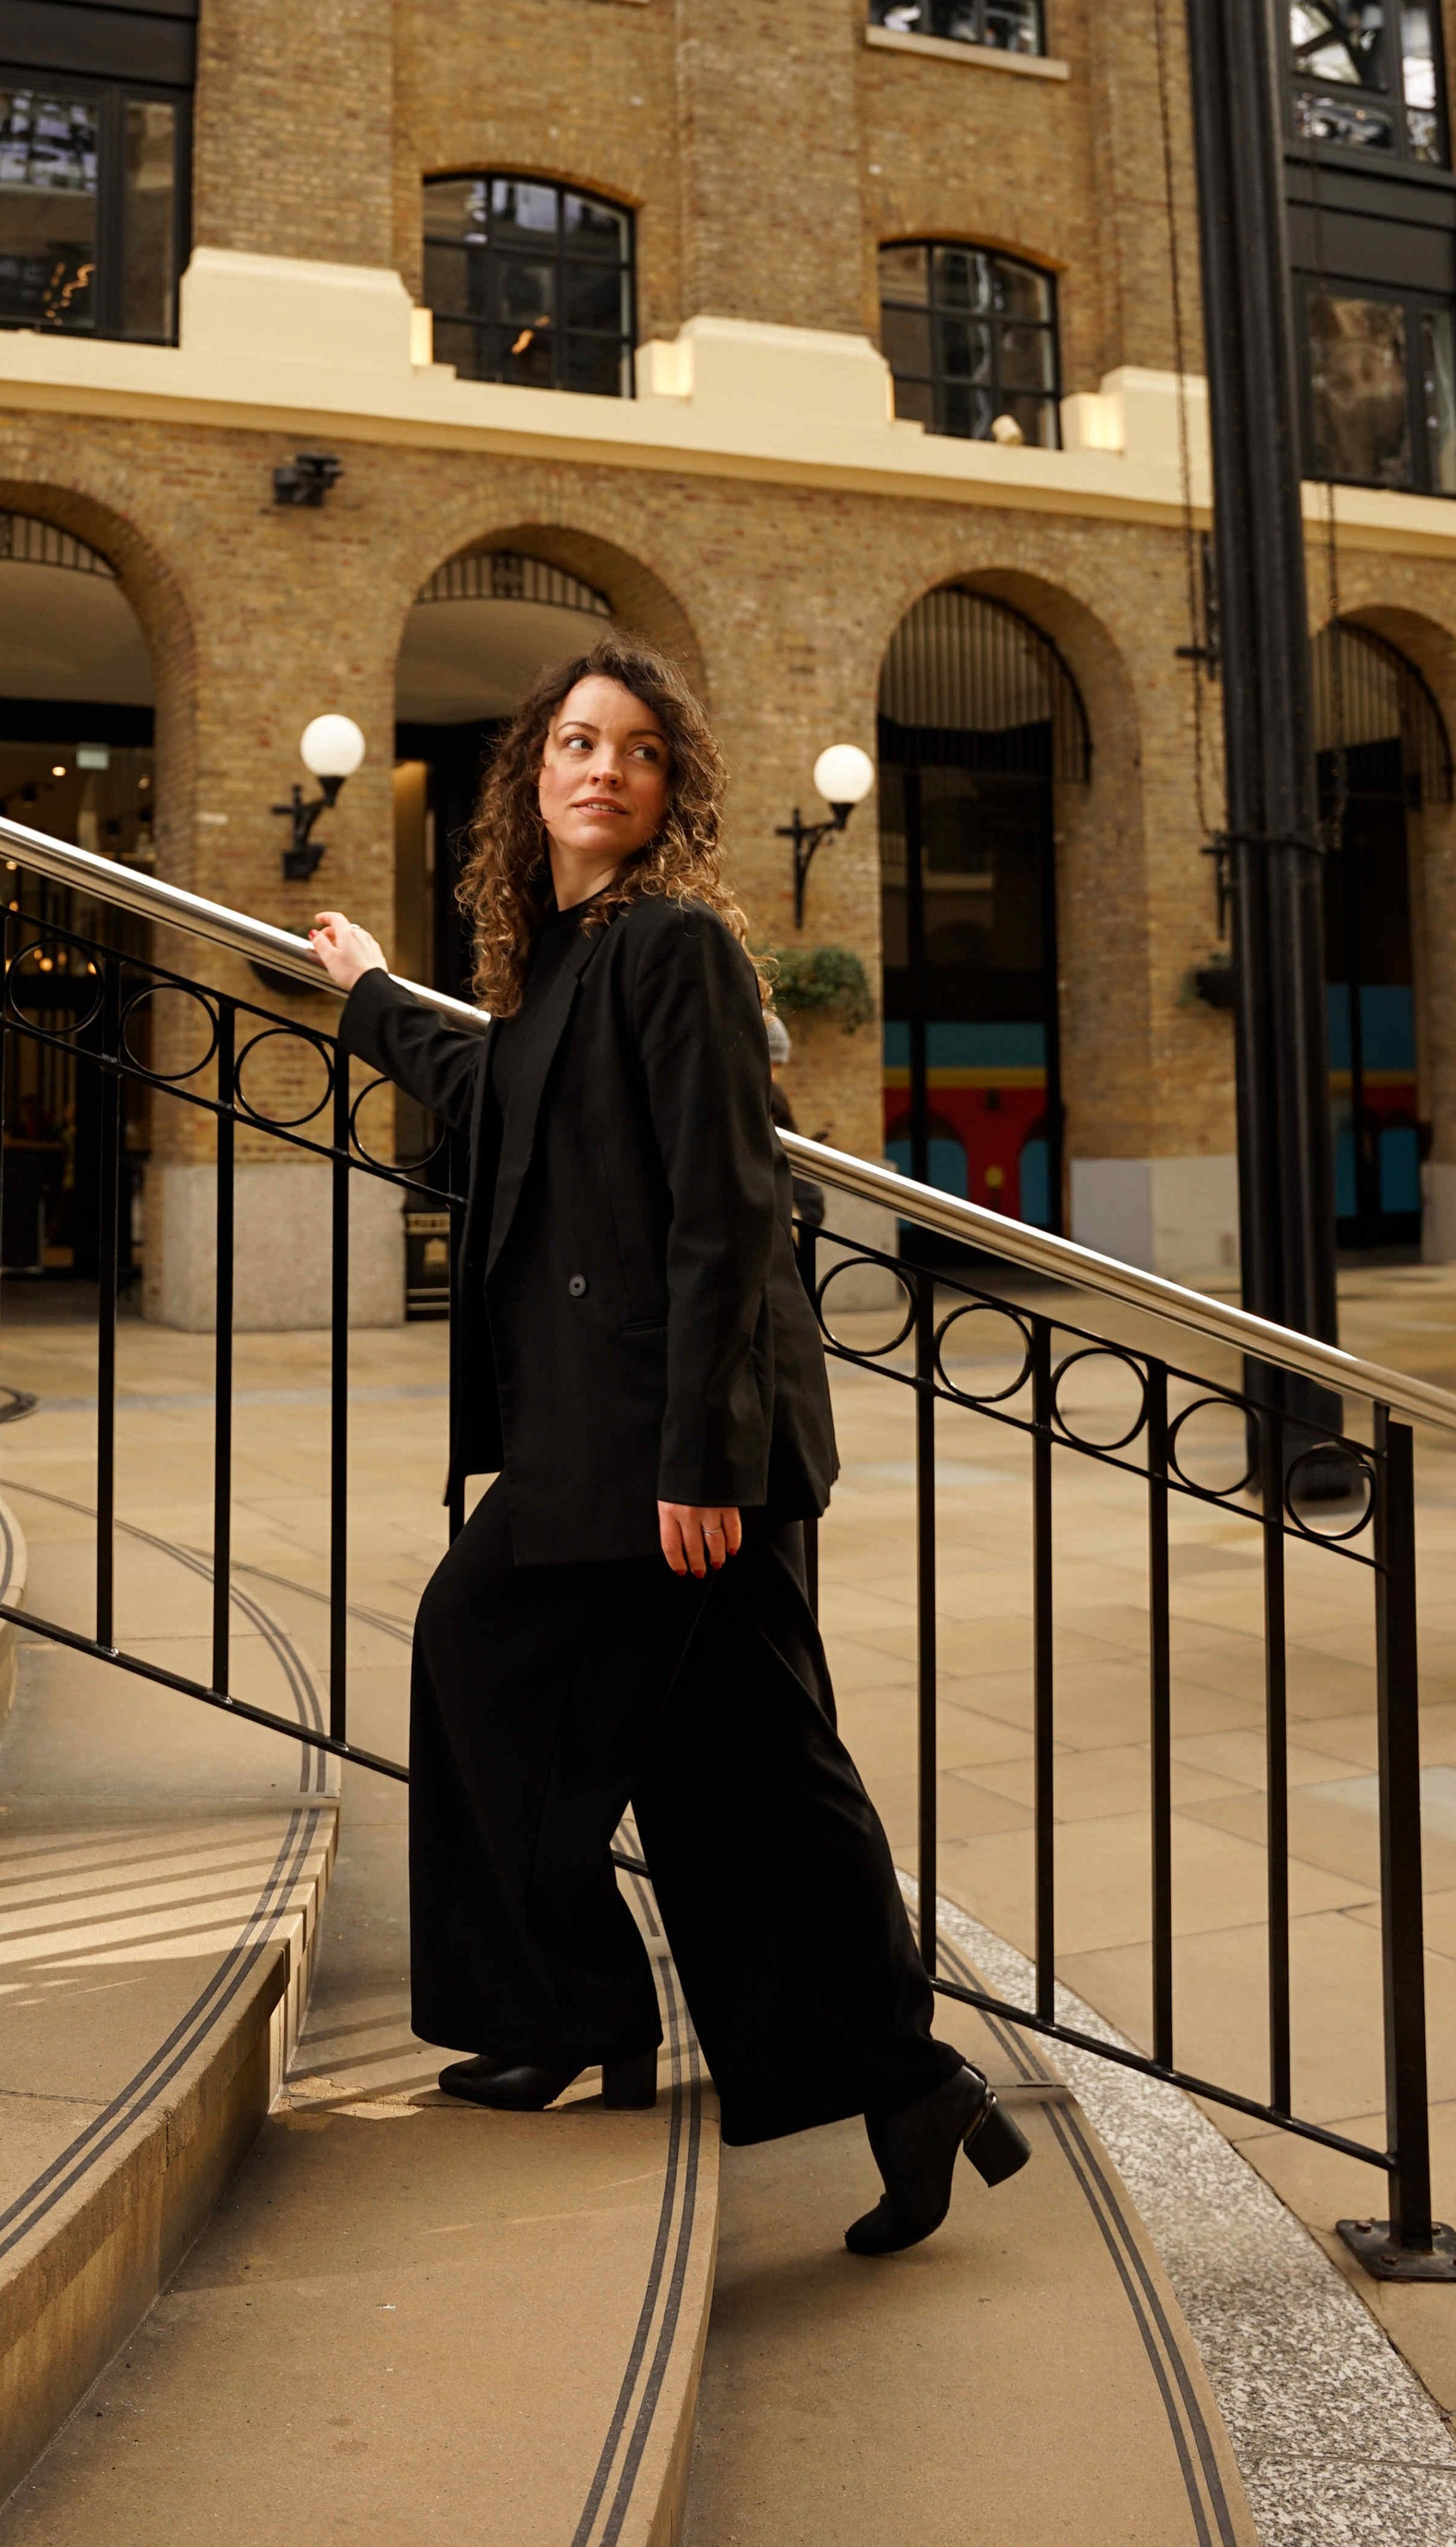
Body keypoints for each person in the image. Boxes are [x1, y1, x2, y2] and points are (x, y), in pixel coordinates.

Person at [305, 637, 1030, 2255]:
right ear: (535, 776)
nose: (601, 768)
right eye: (575, 740)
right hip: (621, 1436)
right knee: (747, 1769)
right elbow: (498, 1090)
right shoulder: (570, 957)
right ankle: (900, 2087)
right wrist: (366, 997)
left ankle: (589, 2015)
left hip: (667, 1447)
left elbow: (728, 1210)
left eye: (635, 749)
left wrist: (702, 1459)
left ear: (667, 788)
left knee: (488, 1652)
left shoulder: (680, 942)